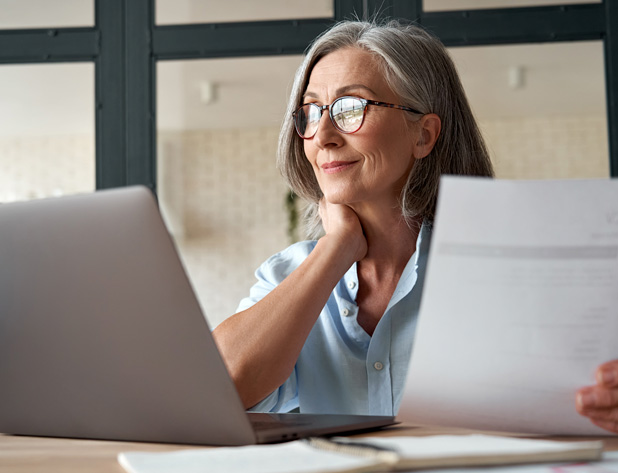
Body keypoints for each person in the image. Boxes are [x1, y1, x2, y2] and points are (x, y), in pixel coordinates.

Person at [212, 19, 618, 434]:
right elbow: (215, 390)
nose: (324, 136)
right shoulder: (287, 274)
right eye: (312, 112)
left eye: (351, 108)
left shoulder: (513, 267)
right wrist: (336, 249)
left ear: (423, 135)